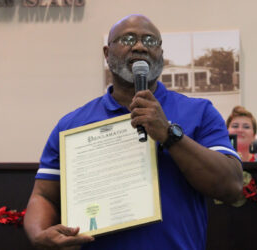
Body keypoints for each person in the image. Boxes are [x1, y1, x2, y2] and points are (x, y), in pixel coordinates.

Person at [24, 14, 243, 250]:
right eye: (128, 39)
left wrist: (169, 135)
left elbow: (231, 187)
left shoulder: (200, 113)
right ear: (107, 54)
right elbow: (43, 196)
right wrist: (39, 234)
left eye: (150, 41)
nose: (139, 46)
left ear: (160, 53)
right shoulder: (72, 125)